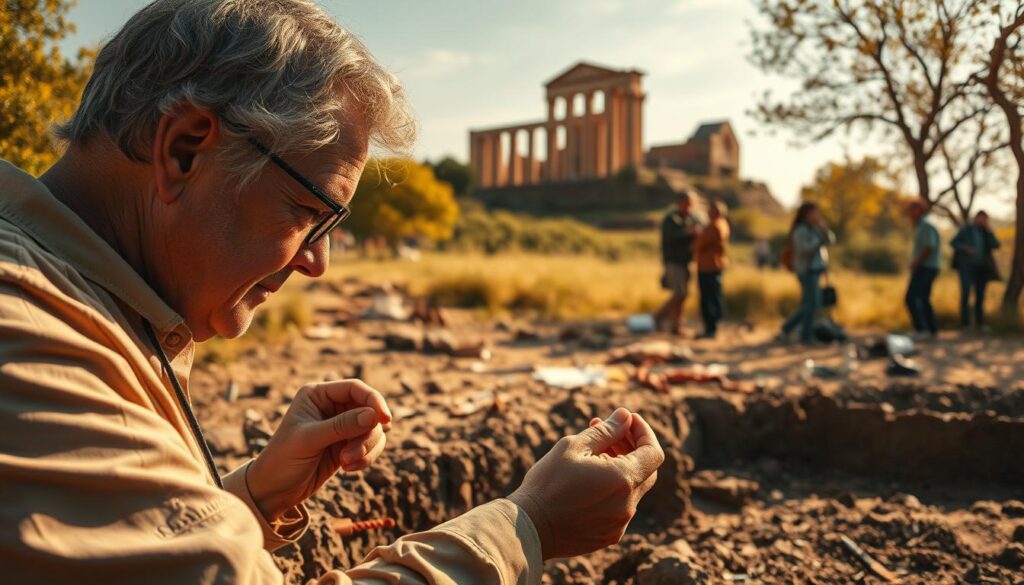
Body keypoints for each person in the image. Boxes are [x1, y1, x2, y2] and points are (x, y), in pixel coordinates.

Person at [0, 1, 664, 583]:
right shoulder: (26, 330)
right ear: (183, 149)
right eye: (309, 209)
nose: (319, 260)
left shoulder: (79, 300)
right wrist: (531, 524)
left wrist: (254, 498)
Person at [778, 202, 835, 344]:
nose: (816, 216)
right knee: (812, 304)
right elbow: (804, 249)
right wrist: (819, 241)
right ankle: (803, 335)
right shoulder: (800, 230)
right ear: (806, 214)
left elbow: (831, 240)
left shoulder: (816, 229)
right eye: (813, 213)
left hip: (816, 270)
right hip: (806, 271)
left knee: (810, 304)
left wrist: (823, 229)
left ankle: (793, 330)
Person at [654, 190, 701, 335]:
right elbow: (671, 238)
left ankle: (674, 322)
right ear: (680, 203)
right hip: (674, 261)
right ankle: (665, 319)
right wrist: (689, 233)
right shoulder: (671, 219)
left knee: (683, 294)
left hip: (686, 261)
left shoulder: (691, 218)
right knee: (679, 293)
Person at [951, 210, 1001, 330]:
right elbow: (954, 242)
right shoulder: (966, 229)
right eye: (980, 218)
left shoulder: (986, 232)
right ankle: (965, 323)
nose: (982, 221)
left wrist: (988, 231)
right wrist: (966, 248)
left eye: (984, 219)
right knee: (966, 293)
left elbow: (996, 245)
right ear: (976, 218)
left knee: (980, 295)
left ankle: (980, 323)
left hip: (982, 267)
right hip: (967, 266)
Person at [905, 200, 941, 339]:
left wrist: (916, 262)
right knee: (924, 299)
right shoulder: (921, 225)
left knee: (911, 298)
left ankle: (921, 329)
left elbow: (929, 246)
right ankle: (931, 330)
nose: (908, 213)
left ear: (919, 210)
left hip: (926, 267)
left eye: (911, 210)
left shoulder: (926, 225)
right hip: (926, 267)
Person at [694, 200, 730, 339]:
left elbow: (700, 244)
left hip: (708, 266)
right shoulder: (723, 225)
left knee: (708, 298)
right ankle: (714, 325)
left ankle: (710, 328)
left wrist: (698, 235)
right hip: (715, 265)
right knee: (715, 296)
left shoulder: (714, 227)